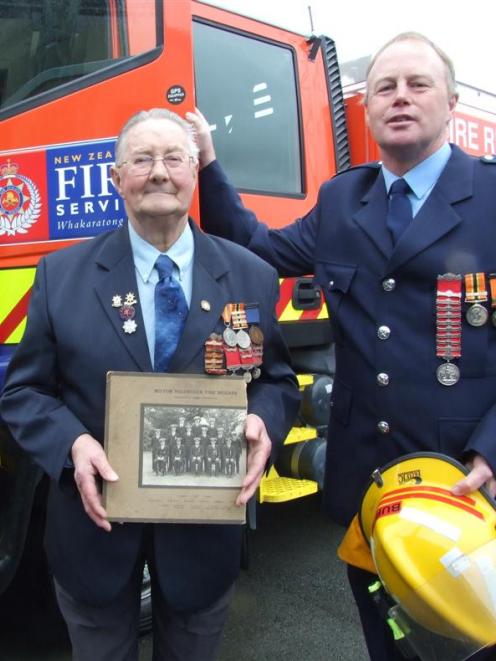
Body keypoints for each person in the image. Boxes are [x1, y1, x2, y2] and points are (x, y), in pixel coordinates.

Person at [188, 32, 496, 660]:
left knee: (472, 643)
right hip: (368, 484)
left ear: (453, 99)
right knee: (387, 641)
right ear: (370, 107)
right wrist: (209, 164)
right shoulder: (341, 199)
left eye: (418, 85)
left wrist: (492, 453)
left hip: (464, 480)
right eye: (385, 86)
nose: (399, 98)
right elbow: (258, 248)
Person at [0, 108, 299, 661]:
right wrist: (72, 444)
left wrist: (263, 421)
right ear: (117, 179)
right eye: (141, 159)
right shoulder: (60, 275)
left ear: (194, 171)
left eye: (173, 158)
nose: (159, 172)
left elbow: (275, 380)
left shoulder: (249, 274)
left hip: (204, 537)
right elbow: (23, 393)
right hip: (93, 534)